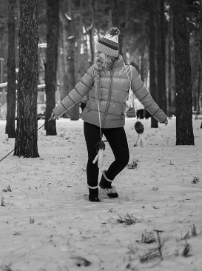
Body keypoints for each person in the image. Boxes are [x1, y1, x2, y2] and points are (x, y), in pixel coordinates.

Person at [51, 27, 168, 202]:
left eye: (101, 53)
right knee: (94, 157)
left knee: (123, 158)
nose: (98, 56)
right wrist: (58, 110)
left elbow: (144, 96)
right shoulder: (94, 70)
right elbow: (77, 92)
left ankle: (105, 182)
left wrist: (159, 115)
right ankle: (93, 191)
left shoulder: (129, 72)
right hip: (92, 120)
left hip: (115, 122)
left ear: (111, 54)